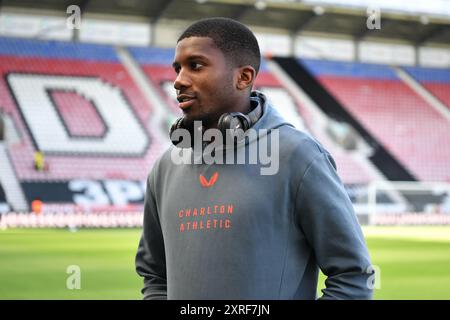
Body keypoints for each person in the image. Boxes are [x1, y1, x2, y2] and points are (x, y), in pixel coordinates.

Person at [135, 17, 373, 300]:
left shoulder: (299, 156)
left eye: (195, 66)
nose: (178, 81)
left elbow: (353, 277)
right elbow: (154, 276)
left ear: (244, 77)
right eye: (178, 68)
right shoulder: (165, 168)